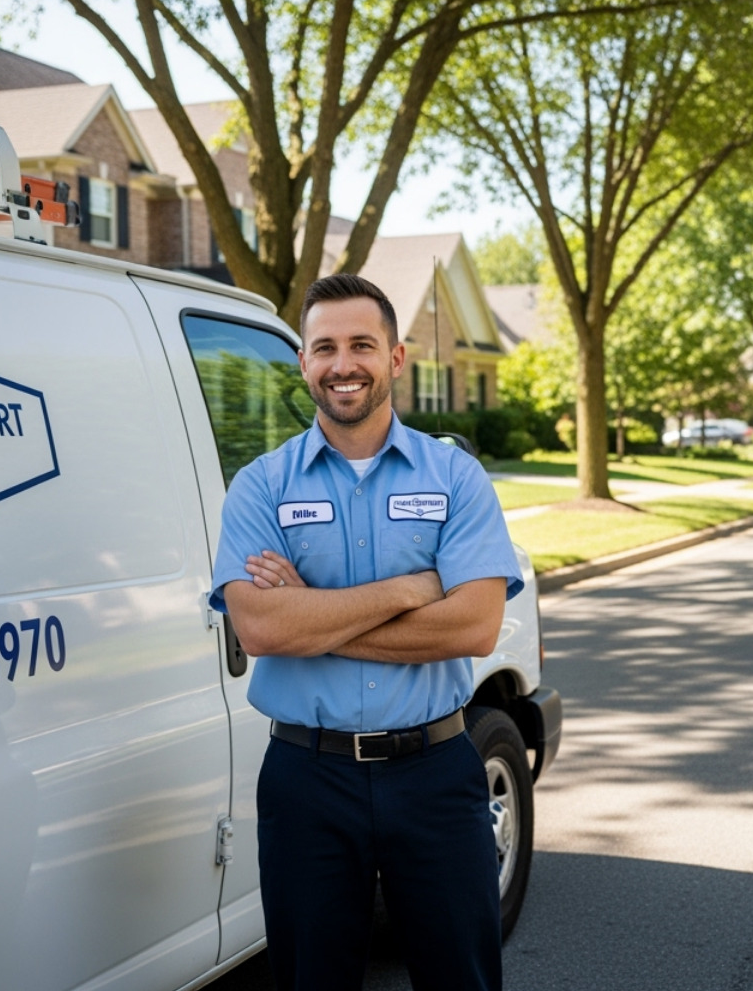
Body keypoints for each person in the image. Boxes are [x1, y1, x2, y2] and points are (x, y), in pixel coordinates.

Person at [208, 273, 522, 991]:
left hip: (436, 772)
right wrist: (409, 593)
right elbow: (258, 625)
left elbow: (474, 624)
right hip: (306, 780)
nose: (342, 364)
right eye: (324, 347)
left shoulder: (455, 478)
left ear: (396, 358)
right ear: (304, 364)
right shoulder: (262, 485)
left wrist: (311, 616)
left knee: (462, 978)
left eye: (361, 345)